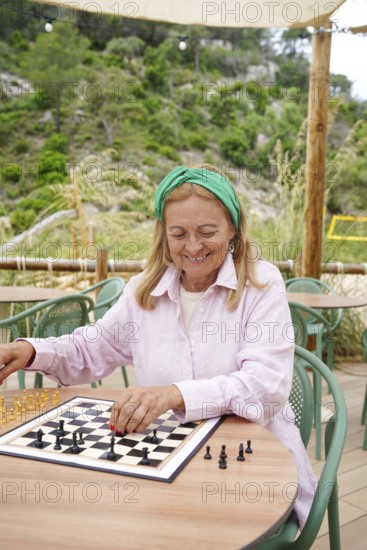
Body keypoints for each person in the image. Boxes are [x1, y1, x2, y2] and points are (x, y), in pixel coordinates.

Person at [0, 164, 316, 529]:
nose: (193, 246)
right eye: (178, 233)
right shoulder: (142, 290)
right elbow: (93, 348)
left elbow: (266, 387)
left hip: (253, 465)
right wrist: (30, 351)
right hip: (164, 461)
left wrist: (173, 395)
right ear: (163, 234)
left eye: (207, 232)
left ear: (232, 228)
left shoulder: (262, 284)